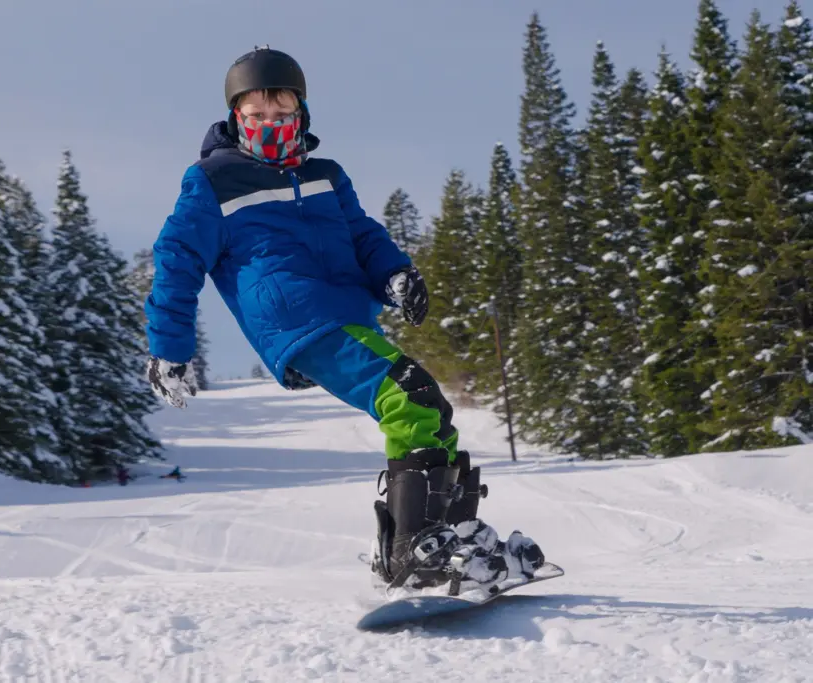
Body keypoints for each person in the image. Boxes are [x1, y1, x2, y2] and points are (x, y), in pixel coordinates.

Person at [144, 46, 544, 592]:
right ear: (236, 117)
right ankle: (413, 554)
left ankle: (454, 540)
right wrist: (169, 345)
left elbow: (361, 234)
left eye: (281, 115)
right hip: (295, 318)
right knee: (411, 398)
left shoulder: (326, 175)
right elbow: (177, 257)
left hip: (347, 313)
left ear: (301, 114)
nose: (269, 126)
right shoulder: (214, 181)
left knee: (431, 411)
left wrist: (395, 275)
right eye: (255, 116)